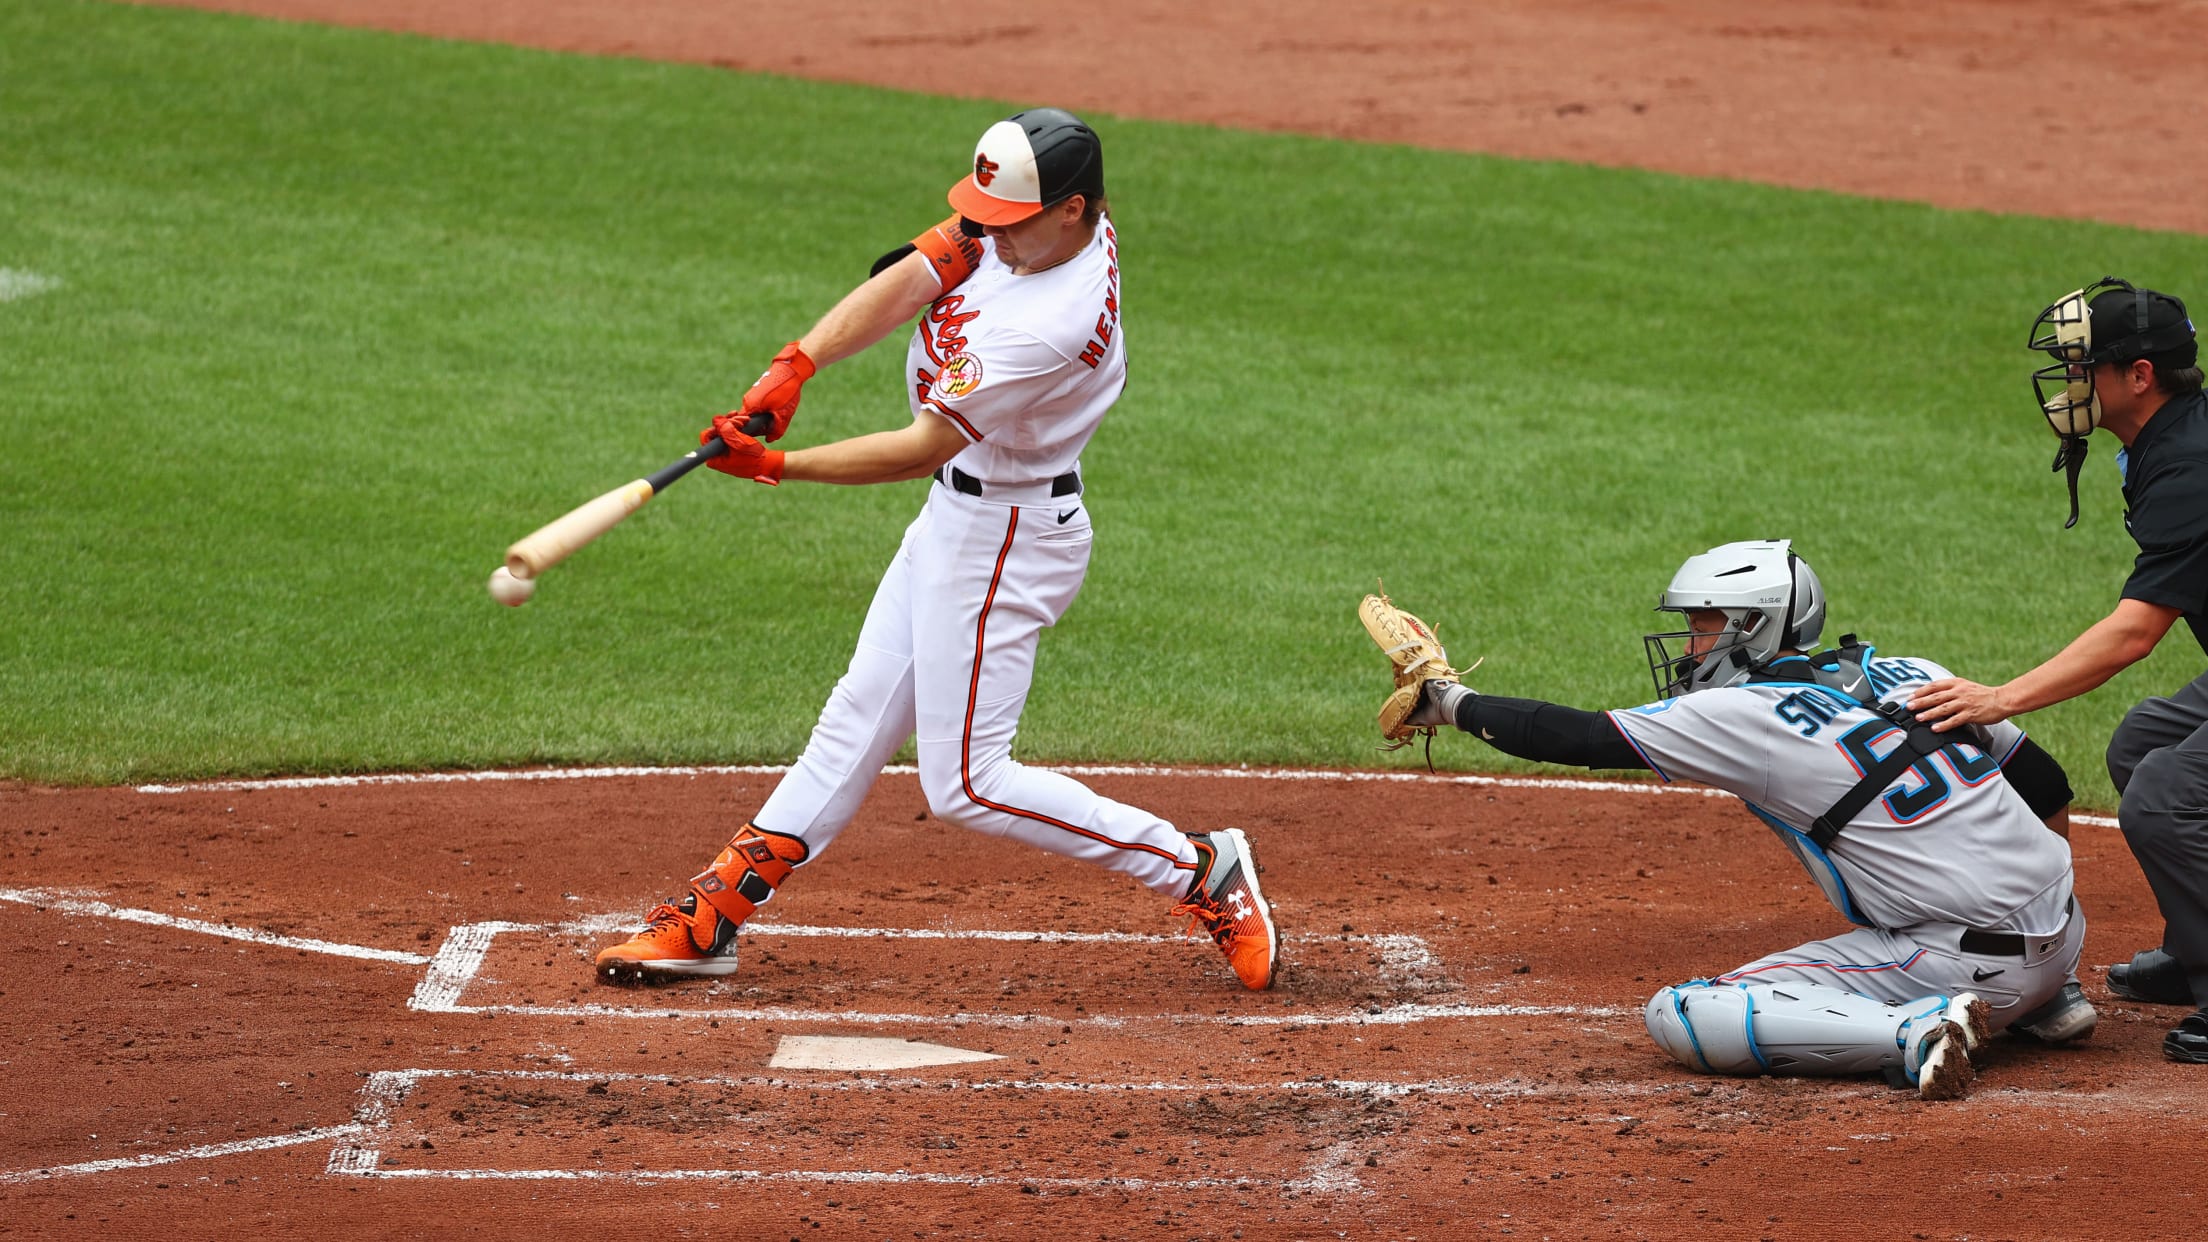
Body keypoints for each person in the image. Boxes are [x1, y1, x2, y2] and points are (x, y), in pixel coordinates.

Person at [593, 108, 1277, 993]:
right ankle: (715, 914)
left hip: (1009, 537)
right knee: (853, 721)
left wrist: (778, 465)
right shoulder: (1033, 228)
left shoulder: (1050, 321)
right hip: (960, 525)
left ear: (1073, 210)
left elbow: (921, 446)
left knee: (966, 783)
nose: (986, 233)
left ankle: (1200, 868)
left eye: (1009, 220)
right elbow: (919, 272)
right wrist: (797, 364)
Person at [1364, 540, 2087, 1099]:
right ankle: (2049, 996)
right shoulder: (1912, 671)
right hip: (2066, 934)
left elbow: (1580, 739)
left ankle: (1917, 1029)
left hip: (1966, 964)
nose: (1688, 647)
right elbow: (2048, 785)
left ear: (1751, 626)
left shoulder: (1746, 714)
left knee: (1682, 1012)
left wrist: (1447, 699)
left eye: (1702, 627)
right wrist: (2041, 937)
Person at [1909, 277, 2208, 1064]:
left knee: (2164, 798)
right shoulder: (2170, 439)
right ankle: (2196, 942)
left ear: (2138, 376)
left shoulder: (2189, 467)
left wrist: (2000, 696)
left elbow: (2134, 633)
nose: (2069, 384)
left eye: (2084, 367)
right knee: (2144, 743)